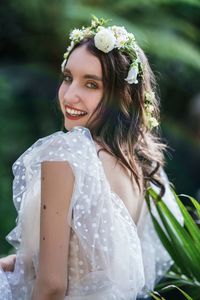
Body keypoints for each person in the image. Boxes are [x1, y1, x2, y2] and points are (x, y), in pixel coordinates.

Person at [0, 16, 183, 300]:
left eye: (91, 85)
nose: (70, 95)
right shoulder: (143, 167)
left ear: (121, 96)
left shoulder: (66, 156)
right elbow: (93, 261)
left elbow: (52, 286)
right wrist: (20, 264)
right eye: (68, 78)